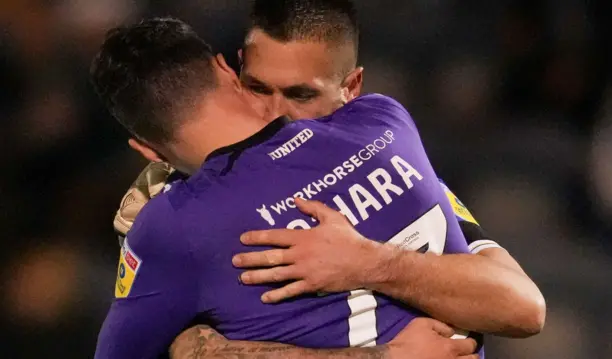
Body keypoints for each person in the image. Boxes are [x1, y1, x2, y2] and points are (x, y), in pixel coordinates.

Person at [91, 17, 540, 359]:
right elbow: (518, 300)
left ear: (146, 149)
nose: (275, 104)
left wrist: (193, 346)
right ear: (226, 70)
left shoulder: (170, 226)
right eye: (261, 86)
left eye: (299, 93)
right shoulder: (381, 122)